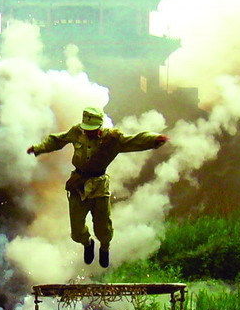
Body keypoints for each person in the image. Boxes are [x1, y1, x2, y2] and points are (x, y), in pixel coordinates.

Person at [26, 107, 167, 268]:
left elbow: (134, 140)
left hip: (99, 188)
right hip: (78, 186)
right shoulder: (77, 132)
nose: (88, 132)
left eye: (92, 129)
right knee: (76, 232)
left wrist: (154, 139)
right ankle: (88, 243)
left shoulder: (112, 139)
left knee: (103, 229)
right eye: (86, 129)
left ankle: (104, 247)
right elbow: (57, 140)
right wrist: (39, 148)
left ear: (100, 126)